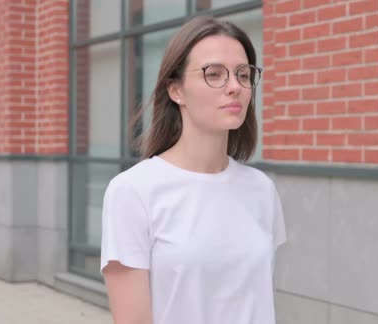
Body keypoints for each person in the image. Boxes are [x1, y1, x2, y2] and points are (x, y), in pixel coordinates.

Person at [100, 16, 287, 324]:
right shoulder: (133, 192)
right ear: (177, 91)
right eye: (214, 74)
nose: (234, 87)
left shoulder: (261, 189)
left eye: (243, 74)